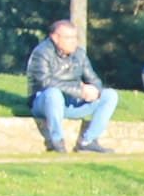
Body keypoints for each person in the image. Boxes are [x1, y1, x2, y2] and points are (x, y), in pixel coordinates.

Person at [26, 20, 118, 155]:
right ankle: (57, 142)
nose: (73, 41)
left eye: (75, 37)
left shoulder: (79, 54)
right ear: (55, 38)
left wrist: (94, 91)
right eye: (68, 38)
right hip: (45, 103)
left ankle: (88, 141)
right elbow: (45, 82)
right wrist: (80, 91)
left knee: (110, 95)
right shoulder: (41, 53)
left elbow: (93, 79)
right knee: (53, 93)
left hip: (72, 103)